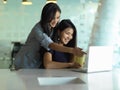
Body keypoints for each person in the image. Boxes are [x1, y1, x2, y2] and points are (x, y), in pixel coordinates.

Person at [14, 3, 85, 69]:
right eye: (52, 18)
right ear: (46, 16)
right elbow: (51, 45)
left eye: (57, 18)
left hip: (36, 64)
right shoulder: (38, 29)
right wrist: (72, 50)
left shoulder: (53, 27)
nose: (55, 21)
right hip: (24, 62)